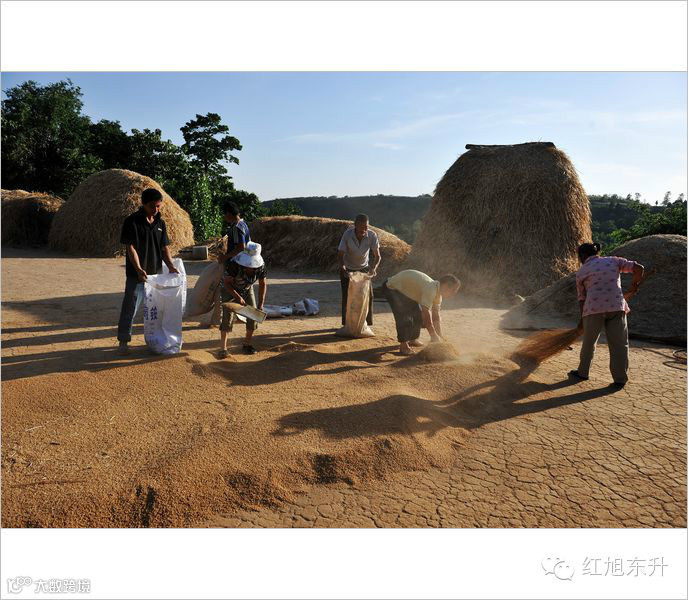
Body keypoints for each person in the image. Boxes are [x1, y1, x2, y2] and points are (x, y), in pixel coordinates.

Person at [569, 242, 645, 387]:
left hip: (593, 309)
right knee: (620, 344)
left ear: (583, 256)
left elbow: (582, 299)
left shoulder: (581, 272)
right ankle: (620, 379)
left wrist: (582, 319)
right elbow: (639, 268)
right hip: (616, 307)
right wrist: (634, 285)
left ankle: (583, 372)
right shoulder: (613, 261)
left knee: (589, 343)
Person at [117, 188, 179, 355]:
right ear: (143, 204)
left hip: (156, 275)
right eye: (152, 206)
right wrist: (138, 269)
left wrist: (171, 265)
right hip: (137, 274)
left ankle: (155, 339)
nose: (156, 209)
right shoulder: (132, 221)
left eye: (158, 206)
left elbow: (164, 247)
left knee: (156, 310)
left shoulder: (160, 223)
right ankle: (124, 340)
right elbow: (130, 247)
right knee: (130, 307)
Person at [381, 269, 461, 356]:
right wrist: (433, 335)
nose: (454, 293)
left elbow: (435, 316)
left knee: (417, 316)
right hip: (393, 288)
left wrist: (439, 335)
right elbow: (426, 313)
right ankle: (403, 346)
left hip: (407, 291)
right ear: (445, 286)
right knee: (404, 317)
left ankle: (413, 339)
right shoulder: (431, 289)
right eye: (454, 290)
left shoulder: (438, 294)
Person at [218, 241, 267, 358]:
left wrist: (261, 304)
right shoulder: (234, 264)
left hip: (247, 288)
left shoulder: (261, 267)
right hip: (229, 289)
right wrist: (237, 297)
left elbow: (263, 284)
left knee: (254, 314)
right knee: (228, 315)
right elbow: (226, 284)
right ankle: (223, 348)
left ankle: (247, 344)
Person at [337, 214, 381, 327]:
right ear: (355, 225)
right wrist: (343, 268)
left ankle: (366, 323)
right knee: (348, 296)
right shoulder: (347, 234)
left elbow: (377, 256)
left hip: (364, 268)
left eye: (366, 227)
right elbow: (340, 254)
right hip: (348, 268)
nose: (364, 230)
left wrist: (373, 268)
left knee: (368, 296)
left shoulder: (372, 235)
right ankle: (347, 324)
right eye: (361, 227)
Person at [217, 201, 250, 266]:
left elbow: (241, 248)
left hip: (237, 262)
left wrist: (225, 256)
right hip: (245, 259)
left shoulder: (236, 227)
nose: (224, 217)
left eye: (224, 214)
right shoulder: (243, 224)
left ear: (228, 213)